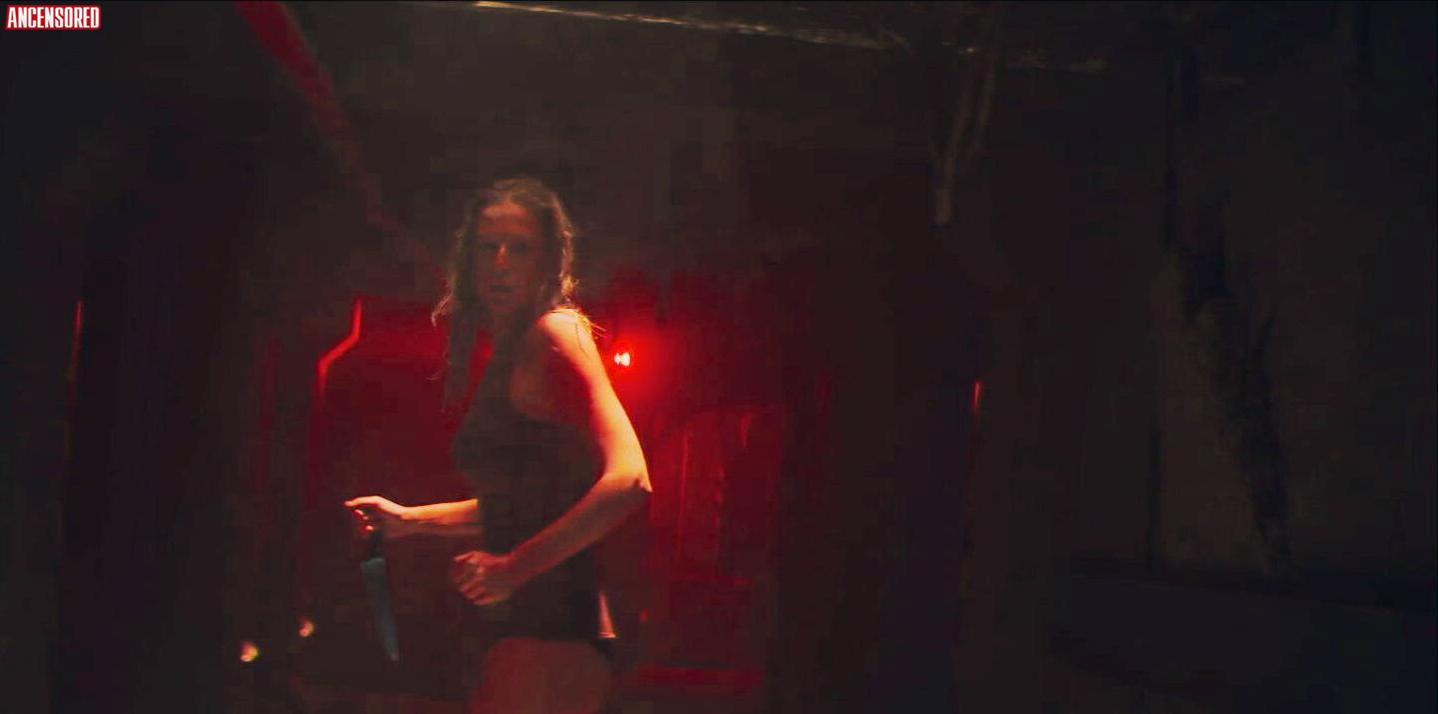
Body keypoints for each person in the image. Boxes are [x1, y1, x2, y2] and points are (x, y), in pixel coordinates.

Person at [345, 176, 651, 713]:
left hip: (554, 630)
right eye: (489, 248)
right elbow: (530, 504)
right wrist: (410, 521)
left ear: (549, 261)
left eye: (520, 248)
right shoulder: (514, 350)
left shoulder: (555, 334)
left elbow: (629, 481)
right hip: (538, 633)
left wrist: (514, 568)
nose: (501, 263)